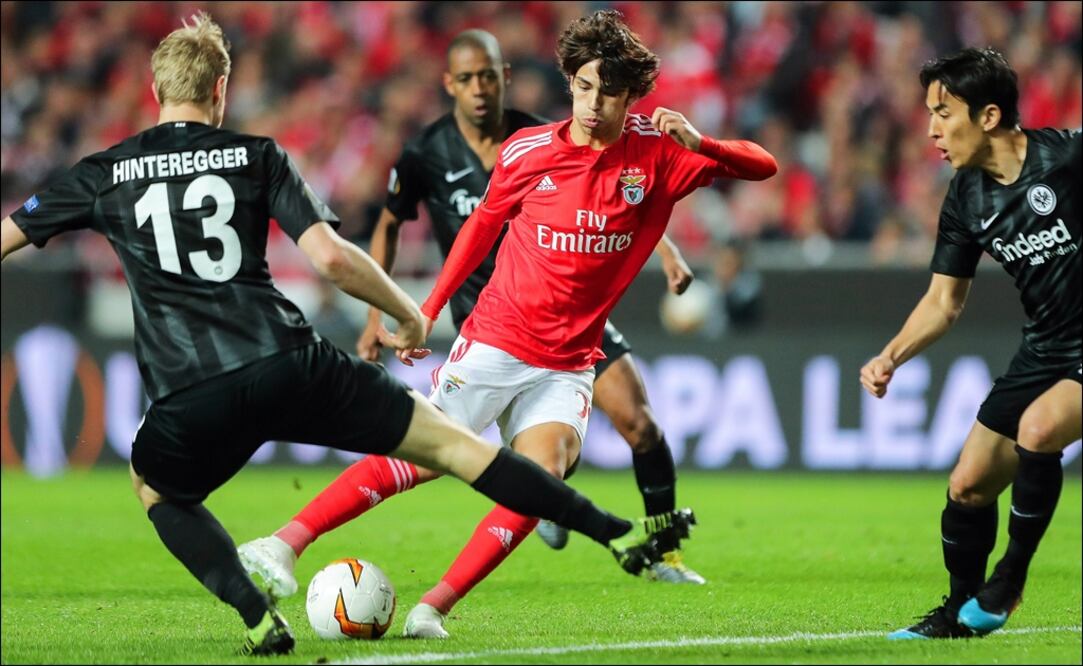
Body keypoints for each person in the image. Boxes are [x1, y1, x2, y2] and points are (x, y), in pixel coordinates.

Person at [0, 13, 691, 656]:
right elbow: (330, 257)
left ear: (154, 90)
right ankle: (614, 529)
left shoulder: (103, 172)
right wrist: (407, 310)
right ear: (221, 88)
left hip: (187, 392)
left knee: (156, 488)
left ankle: (256, 612)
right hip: (291, 362)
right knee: (452, 446)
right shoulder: (256, 156)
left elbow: (11, 235)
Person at [238, 29, 708, 613]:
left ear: (504, 74)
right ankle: (293, 541)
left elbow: (617, 195)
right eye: (467, 78)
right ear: (449, 84)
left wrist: (665, 251)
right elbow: (405, 224)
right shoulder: (426, 152)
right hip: (495, 315)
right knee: (432, 453)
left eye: (489, 75)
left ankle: (649, 545)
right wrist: (393, 312)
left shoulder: (549, 130)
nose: (480, 89)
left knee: (628, 426)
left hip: (578, 316)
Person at [859, 47, 1080, 640]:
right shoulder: (965, 196)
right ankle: (958, 613)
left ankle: (1008, 580)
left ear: (987, 117)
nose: (931, 129)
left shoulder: (1069, 156)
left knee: (1038, 430)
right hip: (1045, 349)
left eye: (943, 113)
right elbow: (943, 302)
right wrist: (891, 355)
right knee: (968, 485)